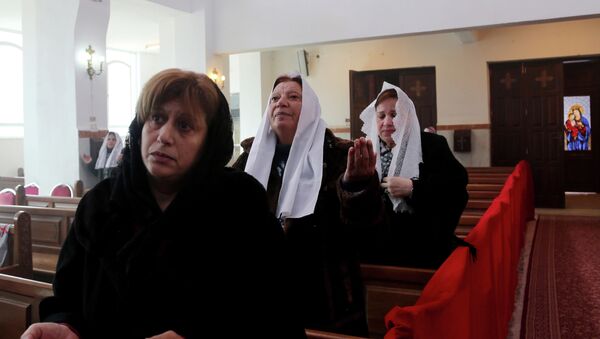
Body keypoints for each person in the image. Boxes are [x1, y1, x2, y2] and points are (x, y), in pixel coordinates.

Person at [21, 69, 305, 339]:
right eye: (156, 118)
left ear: (209, 143)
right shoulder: (100, 204)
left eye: (184, 125)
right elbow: (68, 296)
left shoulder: (240, 203)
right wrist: (67, 326)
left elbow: (276, 312)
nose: (164, 136)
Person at [232, 73, 368, 336]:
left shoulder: (341, 155)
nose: (281, 102)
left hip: (325, 293)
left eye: (293, 97)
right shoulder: (247, 161)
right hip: (263, 291)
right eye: (275, 98)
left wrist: (354, 187)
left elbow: (366, 229)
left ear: (311, 109)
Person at [340, 82, 471, 269]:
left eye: (394, 115)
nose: (387, 122)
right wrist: (351, 184)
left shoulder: (432, 144)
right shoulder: (366, 151)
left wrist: (413, 189)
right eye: (381, 116)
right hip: (374, 251)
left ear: (408, 117)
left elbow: (456, 188)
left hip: (422, 249)